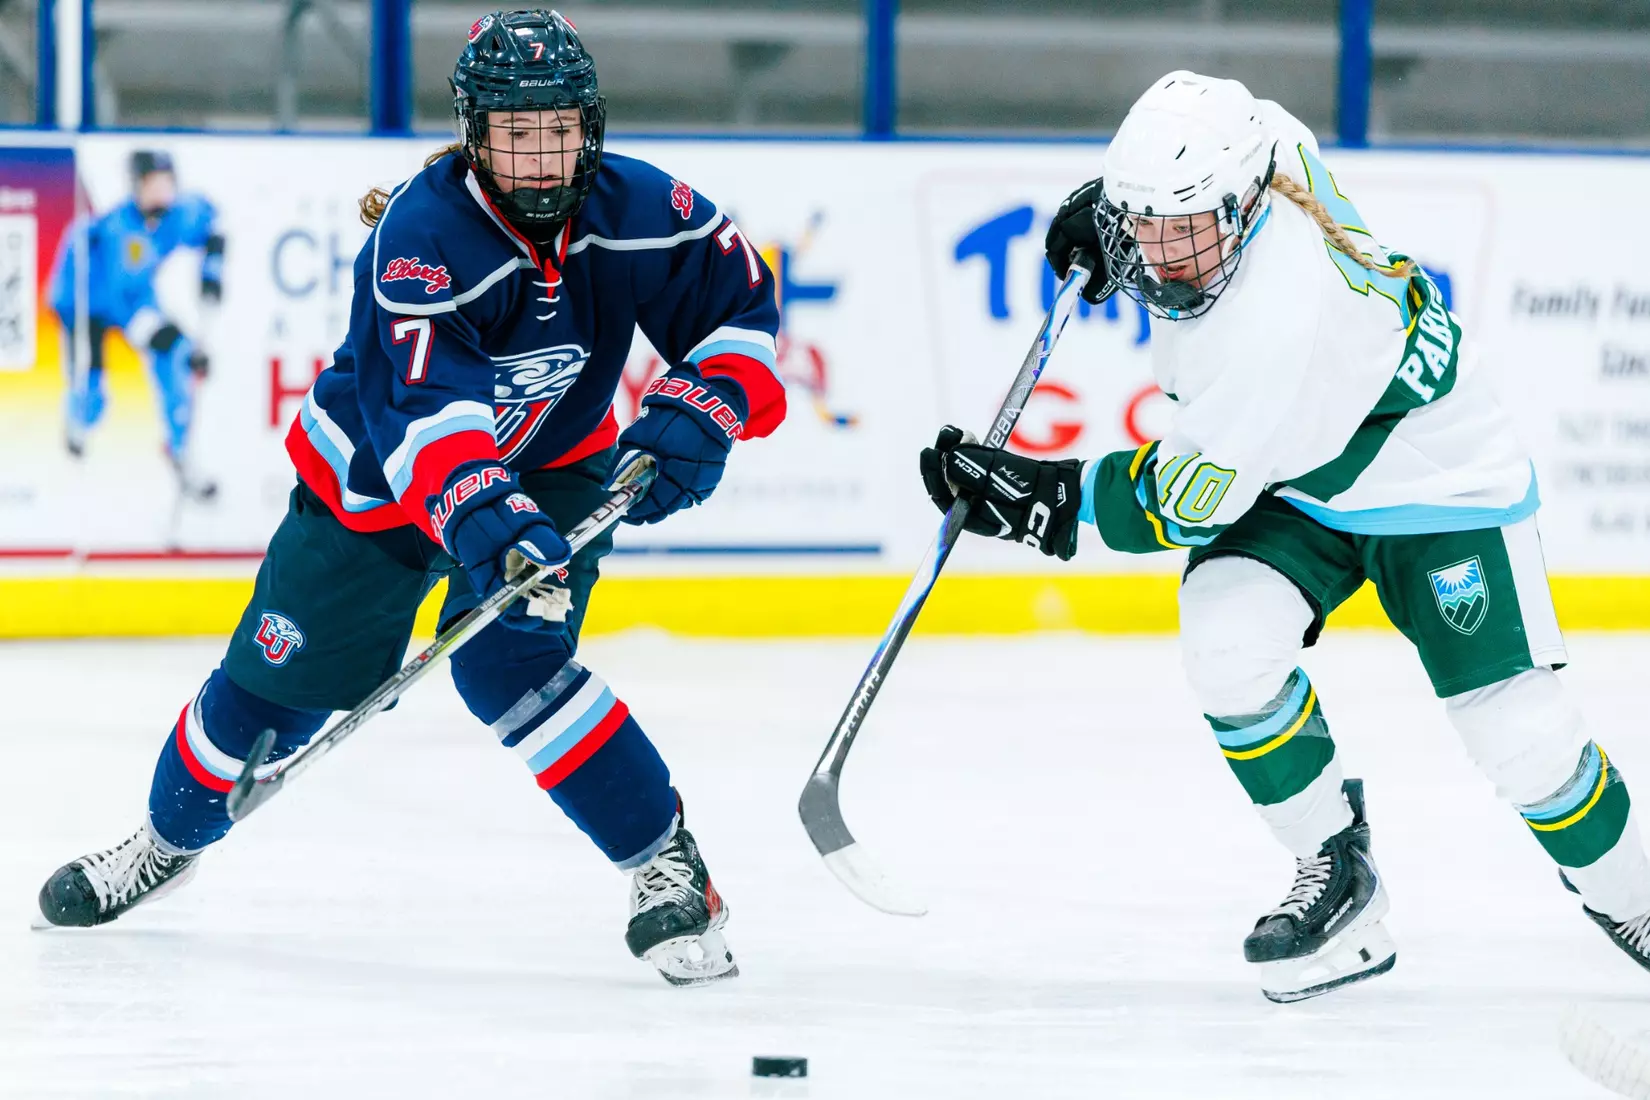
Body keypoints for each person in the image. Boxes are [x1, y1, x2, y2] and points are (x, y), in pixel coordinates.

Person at [36, 9, 784, 988]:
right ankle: (164, 840)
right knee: (265, 703)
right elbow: (425, 411)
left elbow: (742, 307)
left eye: (560, 127)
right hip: (381, 486)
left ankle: (666, 867)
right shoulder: (422, 234)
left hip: (554, 467)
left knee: (515, 668)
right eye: (518, 132)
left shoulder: (644, 205)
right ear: (475, 131)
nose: (542, 155)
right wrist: (485, 515)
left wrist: (704, 405)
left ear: (590, 125)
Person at [918, 70, 1650, 1002]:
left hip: (1433, 476)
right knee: (1225, 638)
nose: (1161, 262)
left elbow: (1189, 502)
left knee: (1521, 736)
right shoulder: (1261, 140)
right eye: (1145, 230)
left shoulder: (1272, 326)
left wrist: (1041, 503)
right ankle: (1337, 874)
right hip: (1302, 473)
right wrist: (1109, 220)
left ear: (1245, 202)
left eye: (1182, 233)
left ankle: (1636, 894)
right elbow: (1189, 167)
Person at [49, 149, 224, 501]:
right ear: (136, 186)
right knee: (90, 379)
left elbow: (209, 221)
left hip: (135, 297)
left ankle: (179, 449)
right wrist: (148, 330)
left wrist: (213, 269)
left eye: (166, 182)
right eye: (152, 183)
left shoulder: (176, 215)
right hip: (87, 301)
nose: (161, 191)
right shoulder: (116, 229)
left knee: (178, 355)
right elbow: (117, 295)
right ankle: (78, 429)